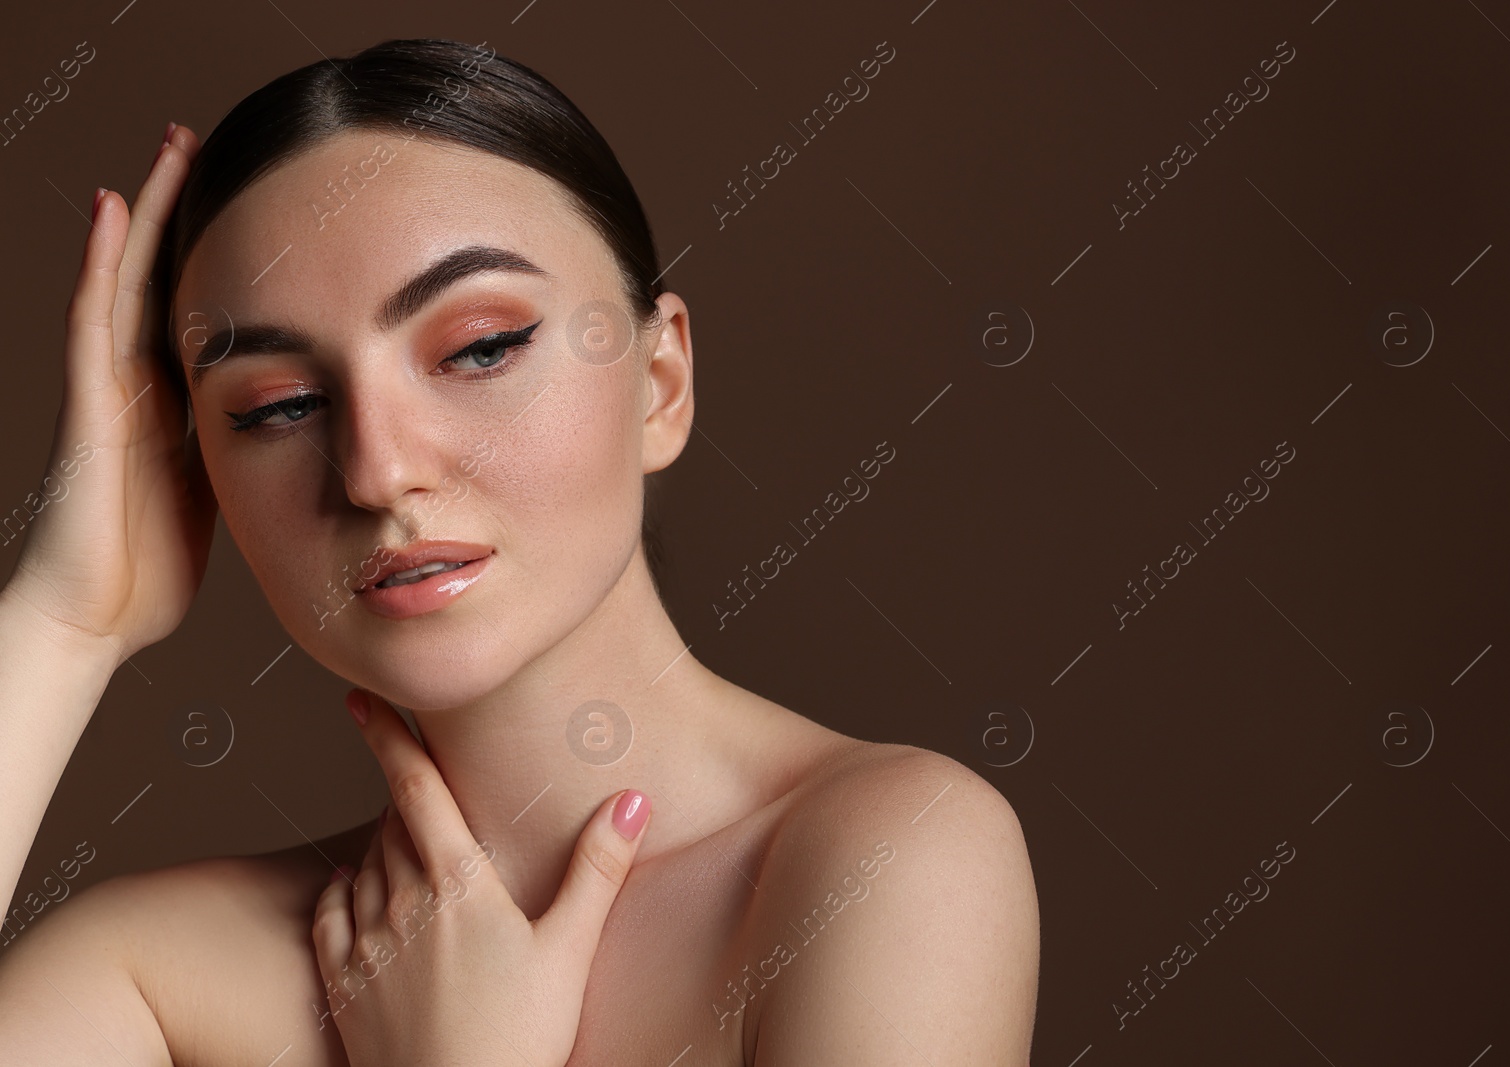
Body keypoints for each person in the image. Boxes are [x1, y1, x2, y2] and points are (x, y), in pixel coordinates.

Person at [0, 38, 1039, 1064]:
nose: (375, 469)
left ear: (660, 382)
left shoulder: (883, 860)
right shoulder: (155, 971)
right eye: (282, 406)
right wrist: (62, 620)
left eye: (480, 347)